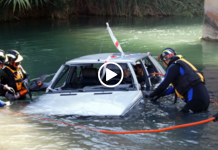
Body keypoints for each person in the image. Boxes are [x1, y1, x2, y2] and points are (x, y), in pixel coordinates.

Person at [144, 48, 210, 113]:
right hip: (205, 100)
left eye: (163, 62)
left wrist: (151, 95)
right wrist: (158, 95)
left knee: (180, 120)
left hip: (195, 101)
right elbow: (173, 89)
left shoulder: (173, 67)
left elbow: (163, 85)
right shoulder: (181, 64)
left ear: (166, 60)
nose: (163, 64)